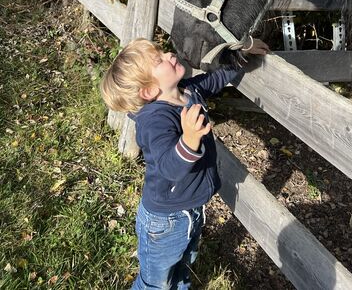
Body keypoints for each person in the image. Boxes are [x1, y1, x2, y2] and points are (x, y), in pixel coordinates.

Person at [100, 36, 270, 290]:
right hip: (165, 220)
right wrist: (189, 140)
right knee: (156, 283)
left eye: (162, 52)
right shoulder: (154, 120)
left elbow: (217, 77)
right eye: (159, 60)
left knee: (181, 269)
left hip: (191, 210)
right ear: (148, 91)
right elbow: (170, 166)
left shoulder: (188, 91)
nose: (169, 54)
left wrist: (242, 52)